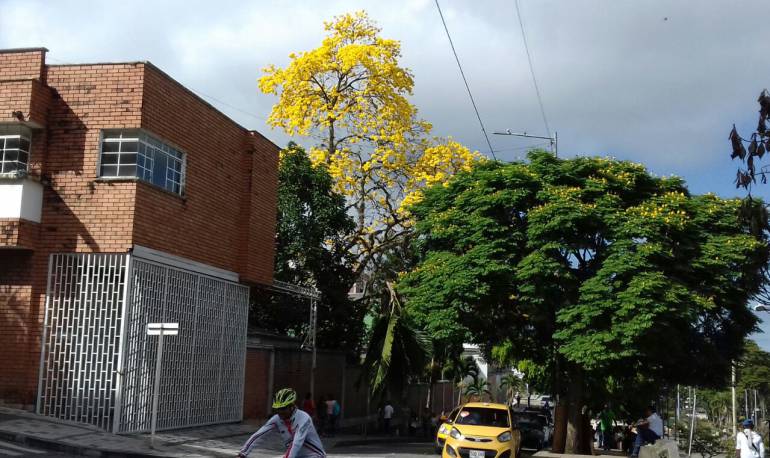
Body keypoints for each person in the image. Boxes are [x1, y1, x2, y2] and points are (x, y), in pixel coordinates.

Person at [237, 388, 326, 458]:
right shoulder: (277, 419)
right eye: (277, 409)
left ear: (291, 407)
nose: (280, 412)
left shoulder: (304, 418)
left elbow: (296, 443)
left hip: (315, 455)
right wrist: (242, 453)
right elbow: (259, 435)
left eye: (283, 409)